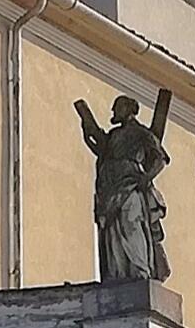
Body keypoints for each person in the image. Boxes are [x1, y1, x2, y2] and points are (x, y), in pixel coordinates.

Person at [75, 88, 175, 283]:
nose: (114, 112)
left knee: (131, 225)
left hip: (130, 186)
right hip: (110, 190)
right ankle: (118, 273)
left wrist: (145, 178)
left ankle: (139, 271)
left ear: (129, 109)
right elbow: (99, 145)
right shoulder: (114, 135)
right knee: (114, 232)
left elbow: (160, 158)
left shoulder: (141, 133)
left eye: (117, 108)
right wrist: (85, 119)